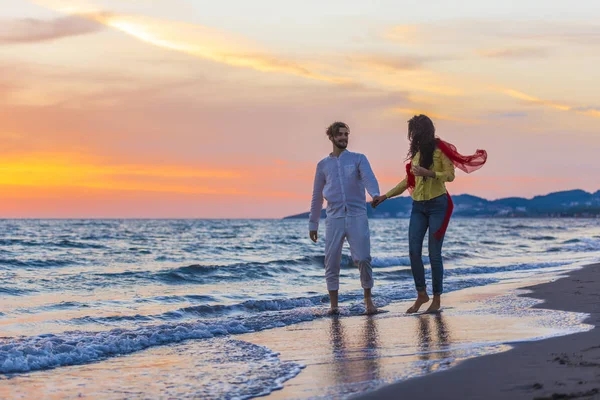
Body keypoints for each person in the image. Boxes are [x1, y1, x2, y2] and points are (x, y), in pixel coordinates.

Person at [372, 114, 487, 314]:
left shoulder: (440, 150)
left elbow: (450, 176)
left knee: (434, 255)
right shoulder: (416, 152)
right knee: (413, 252)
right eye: (411, 132)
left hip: (437, 206)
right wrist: (385, 196)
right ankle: (421, 294)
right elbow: (407, 181)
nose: (412, 136)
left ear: (424, 131)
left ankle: (436, 299)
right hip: (418, 207)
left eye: (415, 131)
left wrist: (430, 173)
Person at [309, 121, 380, 314]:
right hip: (333, 218)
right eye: (339, 135)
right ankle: (334, 307)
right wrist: (313, 223)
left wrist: (374, 194)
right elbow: (317, 196)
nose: (343, 138)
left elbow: (368, 178)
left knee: (364, 258)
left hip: (357, 215)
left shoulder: (358, 159)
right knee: (331, 262)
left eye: (346, 135)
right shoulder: (323, 165)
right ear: (331, 137)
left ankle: (368, 302)